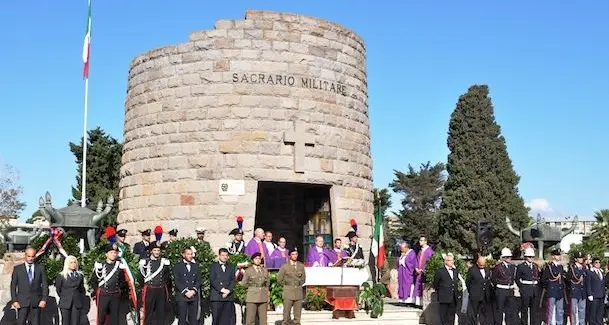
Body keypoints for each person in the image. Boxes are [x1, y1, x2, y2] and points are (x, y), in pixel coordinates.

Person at [10, 247, 49, 325]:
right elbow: (13, 286)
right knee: (21, 322)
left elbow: (45, 285)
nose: (31, 258)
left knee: (36, 322)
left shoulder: (40, 268)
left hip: (36, 302)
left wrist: (44, 299)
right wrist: (15, 301)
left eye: (32, 256)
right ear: (25, 256)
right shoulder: (17, 269)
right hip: (22, 302)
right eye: (29, 256)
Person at [91, 244, 126, 325]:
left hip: (115, 294)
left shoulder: (119, 266)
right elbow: (94, 280)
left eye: (115, 252)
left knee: (115, 317)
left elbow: (122, 281)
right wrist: (97, 291)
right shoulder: (100, 265)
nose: (113, 254)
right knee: (101, 317)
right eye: (111, 252)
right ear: (106, 254)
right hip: (103, 294)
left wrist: (119, 289)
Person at [138, 242, 172, 325]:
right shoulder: (145, 262)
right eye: (155, 250)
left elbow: (167, 277)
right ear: (151, 251)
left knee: (161, 313)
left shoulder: (164, 262)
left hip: (161, 290)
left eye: (158, 250)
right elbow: (140, 277)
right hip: (149, 290)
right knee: (148, 312)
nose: (157, 252)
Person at [277, 246, 306, 325]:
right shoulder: (285, 266)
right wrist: (287, 285)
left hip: (298, 291)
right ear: (290, 255)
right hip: (288, 291)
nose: (295, 256)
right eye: (293, 254)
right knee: (286, 312)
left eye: (296, 254)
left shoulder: (301, 266)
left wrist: (298, 285)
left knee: (297, 313)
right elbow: (279, 279)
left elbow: (303, 279)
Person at [55, 255, 86, 325]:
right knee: (65, 322)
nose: (73, 264)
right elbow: (58, 290)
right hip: (65, 303)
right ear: (67, 264)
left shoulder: (80, 275)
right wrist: (65, 296)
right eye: (71, 262)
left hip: (77, 303)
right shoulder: (61, 276)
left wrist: (80, 298)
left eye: (75, 262)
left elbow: (82, 289)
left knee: (75, 322)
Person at [173, 247, 201, 325]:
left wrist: (193, 290)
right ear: (183, 255)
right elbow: (176, 281)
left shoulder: (196, 266)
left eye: (191, 254)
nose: (190, 256)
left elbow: (199, 280)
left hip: (193, 295)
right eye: (188, 254)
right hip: (182, 295)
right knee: (182, 318)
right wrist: (185, 291)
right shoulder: (178, 266)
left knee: (193, 319)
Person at [209, 248, 236, 325]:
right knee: (216, 319)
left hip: (228, 297)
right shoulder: (213, 266)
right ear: (219, 256)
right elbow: (213, 280)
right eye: (223, 255)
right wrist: (222, 290)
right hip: (217, 297)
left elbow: (233, 280)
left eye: (226, 255)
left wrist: (228, 290)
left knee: (227, 319)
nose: (224, 257)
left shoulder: (231, 266)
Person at [241, 252, 269, 325]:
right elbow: (244, 283)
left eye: (259, 258)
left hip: (263, 295)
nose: (258, 260)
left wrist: (266, 292)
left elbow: (267, 283)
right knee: (250, 319)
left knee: (263, 319)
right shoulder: (248, 271)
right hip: (252, 296)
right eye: (256, 259)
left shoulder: (264, 270)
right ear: (252, 260)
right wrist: (252, 287)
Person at [516, 247, 541, 325]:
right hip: (525, 289)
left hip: (534, 290)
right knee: (524, 309)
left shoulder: (535, 266)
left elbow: (537, 277)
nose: (531, 258)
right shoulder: (521, 266)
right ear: (526, 257)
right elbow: (517, 279)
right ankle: (524, 323)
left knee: (534, 310)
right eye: (530, 257)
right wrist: (522, 288)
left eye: (532, 257)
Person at [433, 254, 459, 325]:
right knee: (443, 316)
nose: (452, 262)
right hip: (444, 297)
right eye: (450, 260)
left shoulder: (455, 271)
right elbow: (436, 283)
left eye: (453, 260)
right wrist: (442, 291)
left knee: (451, 316)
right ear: (446, 262)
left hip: (453, 297)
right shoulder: (440, 271)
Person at [492, 247, 517, 325]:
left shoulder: (512, 267)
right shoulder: (498, 267)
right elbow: (493, 279)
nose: (509, 258)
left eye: (510, 257)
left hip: (510, 290)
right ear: (503, 257)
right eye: (507, 257)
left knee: (509, 311)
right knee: (499, 310)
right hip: (501, 290)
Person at [466, 255, 493, 325]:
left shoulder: (487, 269)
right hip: (475, 295)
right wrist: (472, 292)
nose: (482, 266)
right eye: (481, 265)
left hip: (485, 295)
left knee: (485, 312)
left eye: (483, 265)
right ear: (477, 263)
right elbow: (468, 282)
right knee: (474, 313)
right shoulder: (472, 270)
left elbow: (487, 281)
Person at [541, 249, 565, 325]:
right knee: (550, 310)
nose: (559, 256)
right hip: (551, 291)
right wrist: (549, 286)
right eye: (557, 255)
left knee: (560, 310)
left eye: (559, 255)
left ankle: (559, 323)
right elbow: (544, 279)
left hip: (559, 291)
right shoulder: (549, 267)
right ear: (553, 256)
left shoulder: (560, 267)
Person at [567, 251, 587, 325]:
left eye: (582, 257)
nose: (581, 259)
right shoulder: (572, 268)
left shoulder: (584, 268)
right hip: (574, 291)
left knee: (582, 310)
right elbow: (568, 279)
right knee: (574, 311)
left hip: (582, 292)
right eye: (579, 258)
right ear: (575, 259)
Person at [586, 257, 606, 325]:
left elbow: (603, 283)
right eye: (596, 262)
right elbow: (588, 284)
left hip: (601, 295)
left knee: (600, 312)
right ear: (593, 263)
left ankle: (599, 323)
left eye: (599, 262)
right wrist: (589, 294)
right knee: (593, 313)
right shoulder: (590, 272)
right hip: (594, 295)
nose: (598, 264)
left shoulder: (601, 271)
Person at [414, 236, 434, 307]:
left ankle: (423, 303)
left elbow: (430, 262)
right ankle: (418, 303)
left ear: (425, 242)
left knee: (423, 288)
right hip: (418, 272)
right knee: (418, 287)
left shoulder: (429, 251)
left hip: (424, 273)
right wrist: (416, 268)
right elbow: (417, 260)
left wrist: (422, 270)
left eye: (422, 240)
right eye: (420, 240)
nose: (420, 242)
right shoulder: (420, 251)